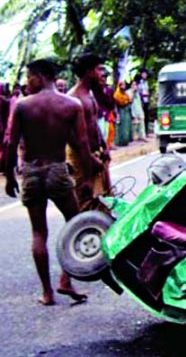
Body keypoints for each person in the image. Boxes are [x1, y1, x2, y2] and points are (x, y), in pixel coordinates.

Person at [4, 59, 103, 306]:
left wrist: (8, 176)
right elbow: (81, 145)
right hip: (58, 170)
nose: (28, 82)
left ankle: (47, 292)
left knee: (39, 233)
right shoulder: (71, 105)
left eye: (30, 77)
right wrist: (89, 179)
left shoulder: (23, 106)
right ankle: (65, 279)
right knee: (75, 224)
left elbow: (11, 144)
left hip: (32, 171)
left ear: (40, 75)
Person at [68, 53, 111, 210]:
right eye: (99, 69)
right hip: (82, 158)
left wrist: (103, 146)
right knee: (86, 202)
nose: (102, 74)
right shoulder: (73, 98)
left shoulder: (90, 94)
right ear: (89, 72)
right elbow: (74, 137)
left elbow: (94, 124)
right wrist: (89, 159)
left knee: (106, 202)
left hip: (96, 154)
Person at [137, 68, 151, 135]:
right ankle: (142, 132)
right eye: (144, 74)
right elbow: (138, 93)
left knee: (147, 116)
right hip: (141, 101)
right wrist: (144, 95)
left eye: (146, 74)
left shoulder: (146, 82)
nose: (145, 75)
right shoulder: (139, 82)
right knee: (142, 116)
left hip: (146, 101)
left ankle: (146, 131)